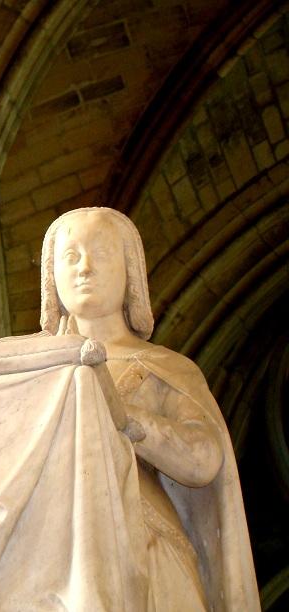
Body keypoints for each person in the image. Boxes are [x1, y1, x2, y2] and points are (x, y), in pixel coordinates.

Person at [40, 207, 258, 610]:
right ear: (51, 276)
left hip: (149, 551)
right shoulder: (35, 371)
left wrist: (128, 421)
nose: (85, 267)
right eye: (71, 256)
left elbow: (204, 461)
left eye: (101, 253)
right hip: (57, 562)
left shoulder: (165, 367)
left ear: (130, 270)